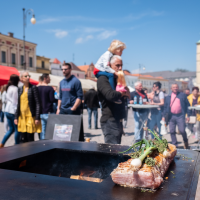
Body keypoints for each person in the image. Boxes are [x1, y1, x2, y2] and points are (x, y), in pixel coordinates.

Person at [97, 55, 129, 144]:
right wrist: (122, 93)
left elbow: (127, 94)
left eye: (121, 65)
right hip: (109, 121)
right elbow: (110, 95)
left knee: (117, 149)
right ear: (109, 65)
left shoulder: (118, 79)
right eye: (117, 65)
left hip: (118, 120)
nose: (120, 68)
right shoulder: (103, 79)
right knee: (112, 151)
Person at [14, 71, 41, 143]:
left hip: (30, 117)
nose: (28, 77)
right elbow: (18, 104)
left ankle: (32, 153)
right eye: (26, 76)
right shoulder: (20, 89)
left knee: (30, 138)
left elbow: (38, 103)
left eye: (29, 76)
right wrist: (16, 117)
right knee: (23, 138)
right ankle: (24, 153)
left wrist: (37, 117)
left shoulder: (33, 88)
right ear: (21, 78)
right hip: (22, 117)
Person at [162, 84, 191, 149]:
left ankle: (186, 142)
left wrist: (188, 115)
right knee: (172, 131)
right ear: (171, 88)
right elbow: (165, 107)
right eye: (174, 87)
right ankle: (175, 145)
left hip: (180, 116)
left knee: (182, 130)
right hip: (171, 116)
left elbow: (187, 106)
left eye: (176, 87)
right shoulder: (168, 96)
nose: (175, 88)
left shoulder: (182, 95)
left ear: (178, 88)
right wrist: (163, 116)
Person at [0, 75, 20, 147]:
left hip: (7, 110)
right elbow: (15, 102)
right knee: (17, 130)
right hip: (12, 111)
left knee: (11, 129)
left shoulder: (9, 87)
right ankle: (17, 144)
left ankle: (2, 143)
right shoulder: (15, 88)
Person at [38, 74, 55, 140]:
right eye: (49, 78)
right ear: (45, 78)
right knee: (51, 131)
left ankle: (43, 145)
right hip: (48, 112)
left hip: (40, 112)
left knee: (43, 131)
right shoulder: (50, 88)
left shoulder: (37, 88)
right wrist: (58, 100)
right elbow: (52, 99)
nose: (50, 79)